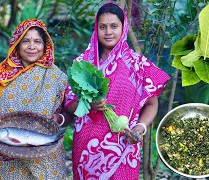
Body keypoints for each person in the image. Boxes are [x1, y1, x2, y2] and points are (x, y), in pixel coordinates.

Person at [64, 3, 170, 179]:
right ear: (96, 29)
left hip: (125, 145)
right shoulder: (82, 64)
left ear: (124, 27)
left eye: (114, 26)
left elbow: (152, 104)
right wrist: (89, 104)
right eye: (102, 27)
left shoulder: (138, 65)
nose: (108, 32)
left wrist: (140, 128)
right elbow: (68, 104)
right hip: (87, 150)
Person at [0, 19, 68, 179]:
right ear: (17, 44)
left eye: (37, 41)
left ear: (45, 45)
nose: (32, 46)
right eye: (26, 41)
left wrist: (59, 118)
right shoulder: (0, 74)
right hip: (5, 154)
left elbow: (70, 113)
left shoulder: (56, 76)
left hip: (45, 156)